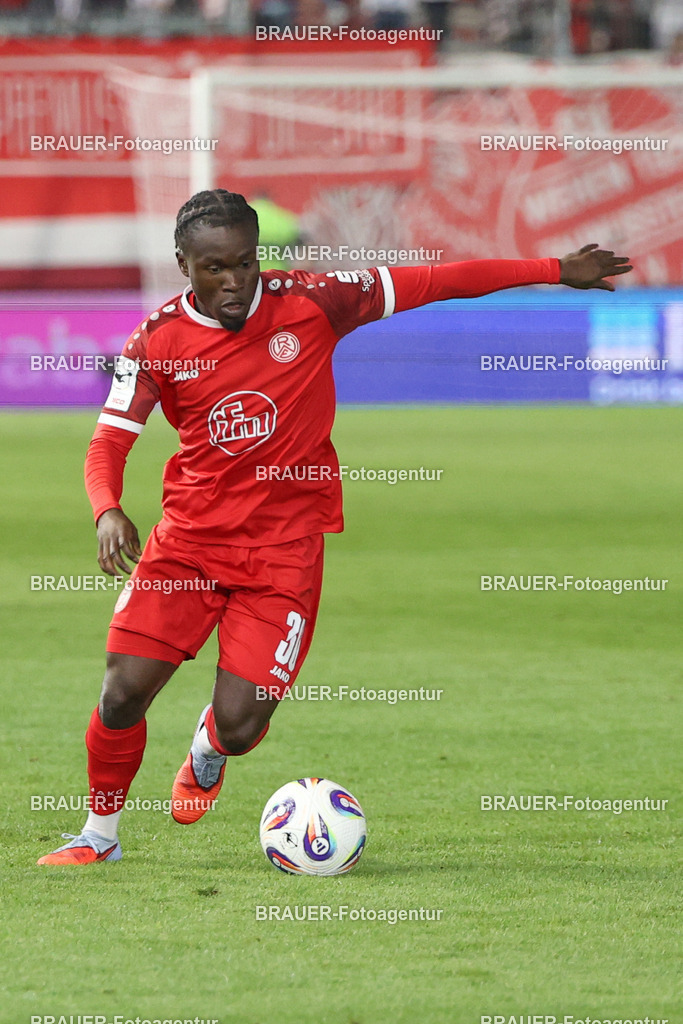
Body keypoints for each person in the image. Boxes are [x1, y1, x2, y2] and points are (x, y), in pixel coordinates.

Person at [37, 189, 632, 865]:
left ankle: (208, 747)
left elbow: (435, 281)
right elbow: (108, 442)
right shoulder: (156, 340)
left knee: (241, 724)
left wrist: (555, 270)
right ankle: (98, 837)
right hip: (188, 547)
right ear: (184, 265)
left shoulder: (318, 300)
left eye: (244, 263)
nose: (233, 281)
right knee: (121, 693)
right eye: (214, 268)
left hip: (283, 554)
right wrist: (106, 508)